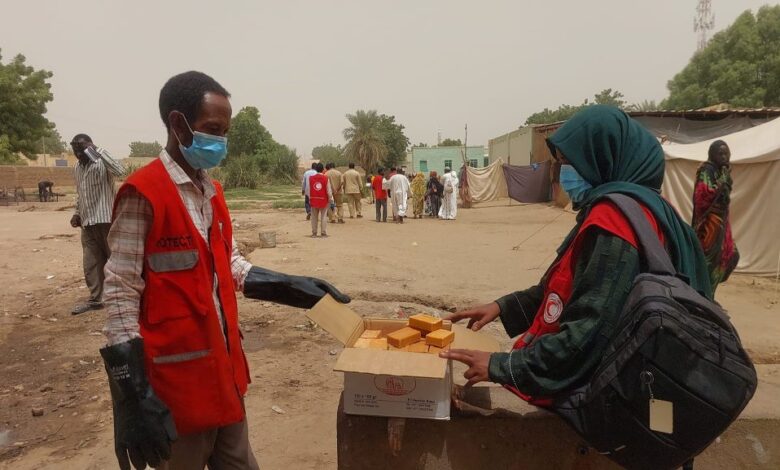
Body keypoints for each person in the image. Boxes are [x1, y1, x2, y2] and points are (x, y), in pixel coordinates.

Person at [101, 71, 350, 470]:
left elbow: (230, 265)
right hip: (175, 392)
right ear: (178, 124)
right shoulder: (143, 194)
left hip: (224, 378)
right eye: (212, 129)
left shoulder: (211, 193)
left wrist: (292, 287)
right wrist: (132, 394)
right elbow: (118, 294)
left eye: (225, 132)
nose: (220, 142)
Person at [440, 106, 712, 407]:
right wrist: (502, 307)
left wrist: (501, 366)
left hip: (615, 404)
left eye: (571, 163)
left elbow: (586, 336)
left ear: (604, 159)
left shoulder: (616, 223)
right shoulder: (650, 209)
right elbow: (564, 290)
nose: (563, 173)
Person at [70, 133, 125, 315]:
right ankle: (96, 299)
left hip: (106, 219)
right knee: (91, 263)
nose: (78, 154)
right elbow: (81, 194)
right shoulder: (77, 167)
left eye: (81, 149)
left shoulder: (101, 162)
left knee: (114, 259)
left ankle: (123, 296)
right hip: (87, 222)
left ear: (90, 146)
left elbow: (120, 170)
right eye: (75, 150)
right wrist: (77, 213)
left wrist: (98, 151)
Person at [692, 140, 740, 292]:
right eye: (721, 154)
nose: (725, 157)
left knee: (730, 255)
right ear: (712, 155)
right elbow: (702, 196)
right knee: (709, 262)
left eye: (727, 153)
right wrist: (721, 182)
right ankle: (704, 294)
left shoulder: (722, 171)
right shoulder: (707, 170)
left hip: (721, 223)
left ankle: (709, 293)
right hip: (709, 226)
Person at [310, 162, 334, 237]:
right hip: (323, 200)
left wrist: (310, 197)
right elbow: (329, 191)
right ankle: (323, 233)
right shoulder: (325, 178)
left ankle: (314, 233)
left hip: (313, 199)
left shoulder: (311, 178)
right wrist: (331, 199)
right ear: (323, 169)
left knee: (314, 217)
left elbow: (308, 189)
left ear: (316, 169)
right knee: (323, 217)